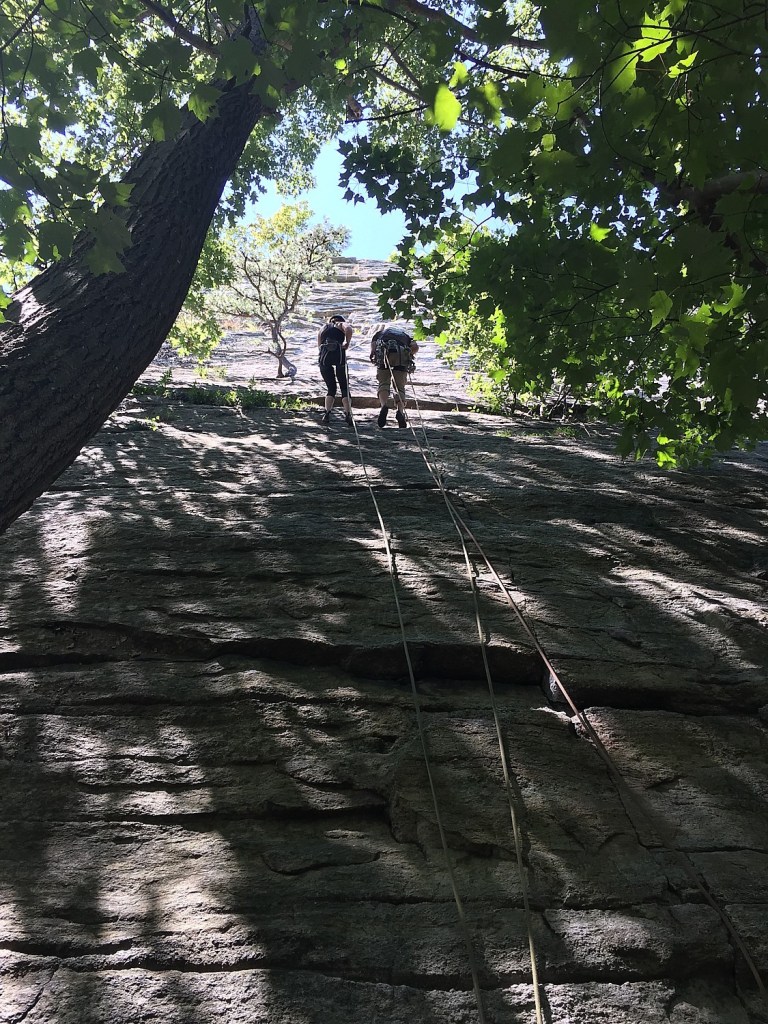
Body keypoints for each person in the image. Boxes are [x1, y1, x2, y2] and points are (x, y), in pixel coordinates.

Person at [369, 324, 419, 428]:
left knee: (383, 383)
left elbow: (373, 347)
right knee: (400, 387)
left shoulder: (380, 334)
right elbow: (415, 347)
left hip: (384, 352)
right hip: (401, 354)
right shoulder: (406, 336)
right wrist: (409, 355)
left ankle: (384, 406)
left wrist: (372, 354)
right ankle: (400, 411)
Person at [317, 314, 354, 425]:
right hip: (339, 356)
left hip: (324, 358)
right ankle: (348, 414)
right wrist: (347, 342)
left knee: (331, 388)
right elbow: (348, 329)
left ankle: (327, 413)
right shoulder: (340, 324)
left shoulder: (322, 328)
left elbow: (319, 346)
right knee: (344, 387)